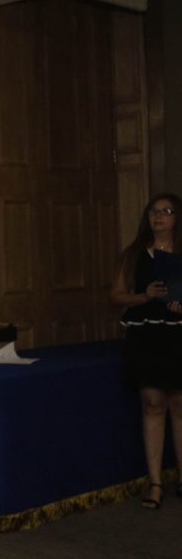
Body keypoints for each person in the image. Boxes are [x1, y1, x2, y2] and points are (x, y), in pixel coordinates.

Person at [110, 193, 182, 510]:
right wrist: (144, 296)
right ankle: (155, 482)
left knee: (179, 403)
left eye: (167, 211)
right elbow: (116, 295)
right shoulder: (134, 254)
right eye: (154, 211)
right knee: (152, 402)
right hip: (147, 334)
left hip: (177, 334)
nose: (159, 216)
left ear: (177, 218)